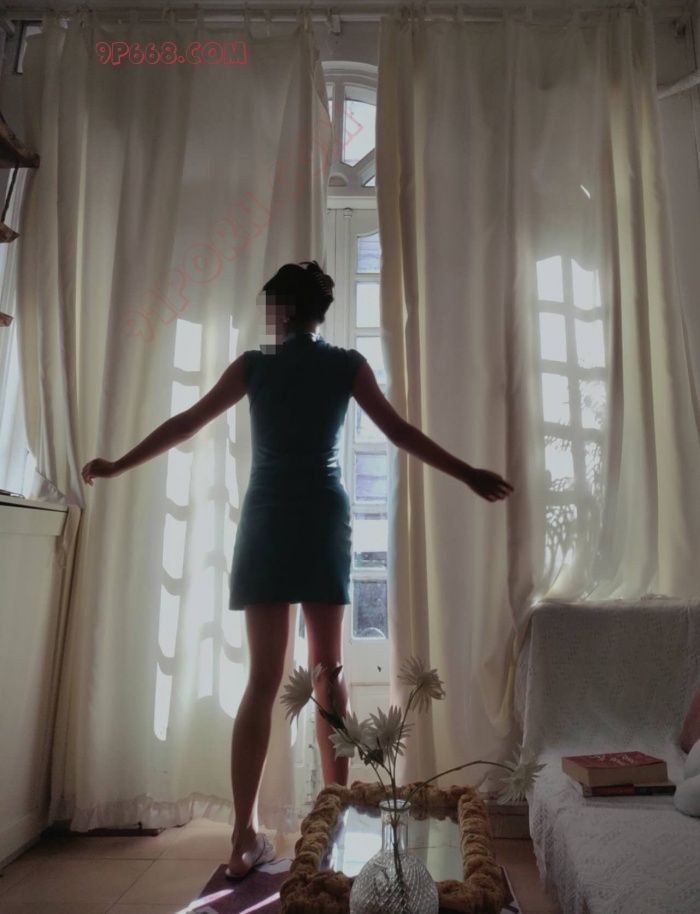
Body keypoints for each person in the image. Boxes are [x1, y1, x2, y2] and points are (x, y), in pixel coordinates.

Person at [81, 260, 513, 878]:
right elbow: (399, 432)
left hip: (267, 520)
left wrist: (117, 464)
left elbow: (186, 423)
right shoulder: (345, 365)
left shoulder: (254, 367)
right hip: (320, 519)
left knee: (263, 680)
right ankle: (331, 820)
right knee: (327, 672)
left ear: (281, 310)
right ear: (318, 312)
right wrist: (467, 473)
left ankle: (242, 838)